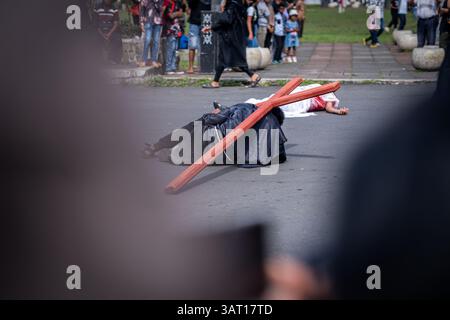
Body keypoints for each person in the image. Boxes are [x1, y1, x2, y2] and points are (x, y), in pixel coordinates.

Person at [142, 102, 288, 166]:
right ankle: (164, 151)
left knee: (198, 123)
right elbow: (279, 157)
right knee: (179, 153)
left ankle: (157, 147)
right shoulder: (274, 133)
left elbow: (216, 119)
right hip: (230, 155)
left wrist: (213, 114)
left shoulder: (248, 108)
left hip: (216, 137)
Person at [201, 0, 262, 88]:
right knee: (231, 58)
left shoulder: (232, 5)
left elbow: (227, 20)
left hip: (230, 37)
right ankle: (253, 76)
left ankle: (216, 82)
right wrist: (211, 27)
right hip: (235, 36)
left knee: (229, 58)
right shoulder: (238, 4)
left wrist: (221, 13)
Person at [246, 83, 349, 117]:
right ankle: (256, 107)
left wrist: (339, 111)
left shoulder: (322, 88)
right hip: (302, 100)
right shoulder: (328, 92)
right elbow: (329, 108)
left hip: (301, 98)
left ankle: (256, 106)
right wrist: (339, 111)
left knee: (275, 100)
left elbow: (329, 107)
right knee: (278, 103)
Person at [94, 0, 123, 64]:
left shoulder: (114, 8)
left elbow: (116, 23)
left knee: (117, 39)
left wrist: (109, 34)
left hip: (111, 31)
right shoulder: (97, 7)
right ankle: (97, 59)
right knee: (94, 38)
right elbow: (96, 24)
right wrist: (102, 34)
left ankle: (112, 58)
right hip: (100, 31)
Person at [187, 0, 211, 74]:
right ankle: (190, 67)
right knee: (192, 45)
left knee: (205, 46)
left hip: (206, 22)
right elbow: (190, 4)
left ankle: (202, 66)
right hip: (194, 22)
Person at [139, 0, 164, 68]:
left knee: (156, 41)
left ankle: (154, 61)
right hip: (148, 21)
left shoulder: (160, 1)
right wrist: (141, 23)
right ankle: (144, 60)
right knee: (147, 40)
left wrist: (156, 2)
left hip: (157, 22)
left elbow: (161, 9)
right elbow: (141, 11)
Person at [163, 0, 185, 74]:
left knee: (176, 50)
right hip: (170, 29)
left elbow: (182, 14)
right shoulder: (168, 3)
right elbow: (170, 15)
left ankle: (173, 67)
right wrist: (178, 13)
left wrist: (177, 13)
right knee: (170, 49)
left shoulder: (177, 3)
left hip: (177, 30)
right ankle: (168, 68)